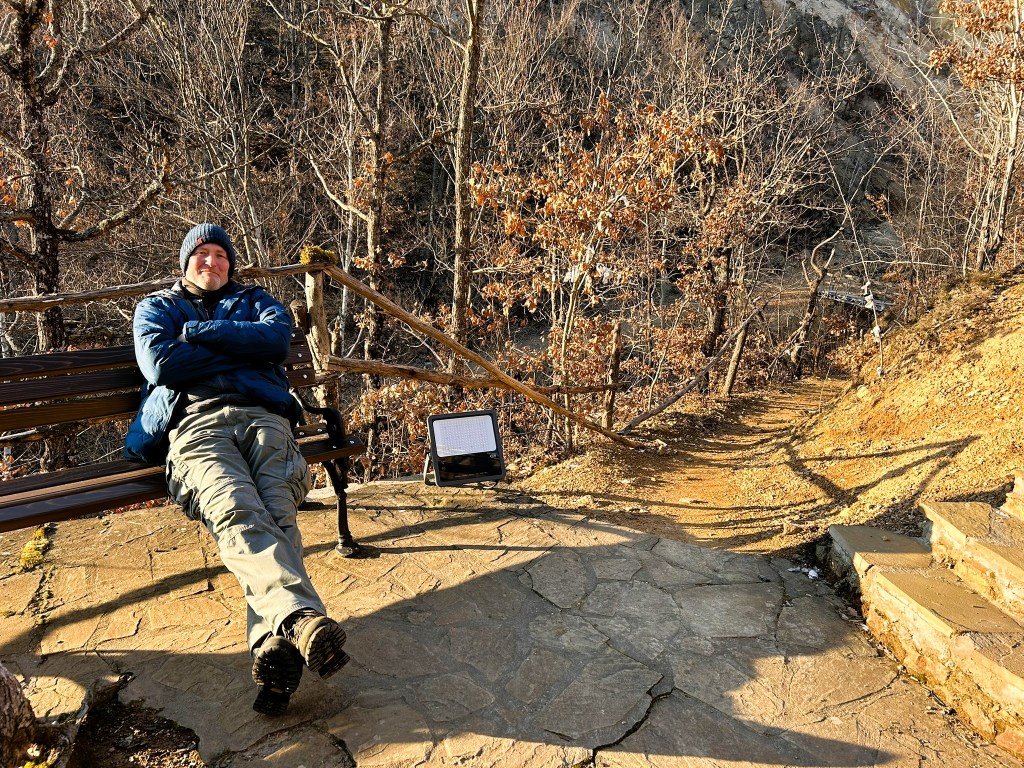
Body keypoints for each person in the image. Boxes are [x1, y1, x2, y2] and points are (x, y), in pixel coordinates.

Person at [124, 223, 348, 715]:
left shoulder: (256, 300)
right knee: (236, 508)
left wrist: (201, 335)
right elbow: (161, 366)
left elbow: (273, 343)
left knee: (277, 514)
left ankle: (274, 648)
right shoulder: (157, 308)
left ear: (230, 262)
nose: (212, 262)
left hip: (265, 419)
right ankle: (300, 619)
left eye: (220, 254)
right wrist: (235, 348)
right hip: (195, 425)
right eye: (201, 254)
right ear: (185, 262)